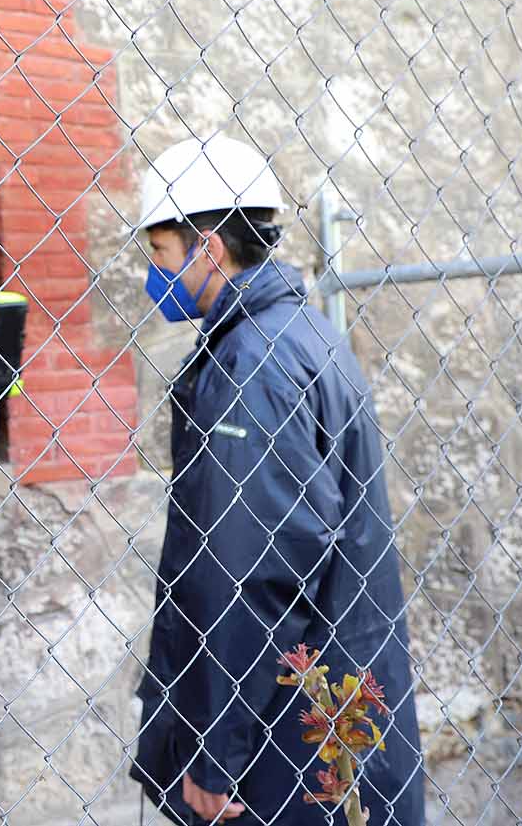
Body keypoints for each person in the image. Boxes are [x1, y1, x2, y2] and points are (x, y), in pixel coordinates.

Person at [129, 136, 424, 825]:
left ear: (209, 247)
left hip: (287, 733)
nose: (152, 277)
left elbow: (248, 575)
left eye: (161, 255)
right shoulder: (305, 331)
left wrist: (210, 751)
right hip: (335, 701)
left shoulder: (250, 365)